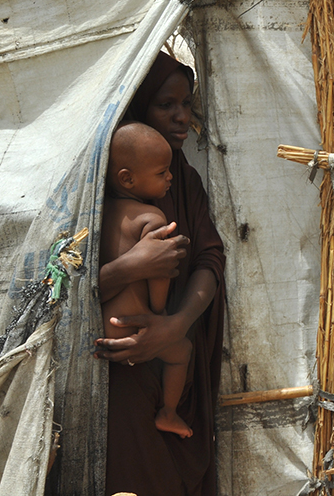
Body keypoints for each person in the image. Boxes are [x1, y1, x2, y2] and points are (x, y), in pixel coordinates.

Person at [95, 52, 227, 496]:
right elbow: (62, 284)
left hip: (175, 361)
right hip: (121, 372)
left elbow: (210, 259)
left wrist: (173, 323)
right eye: (165, 105)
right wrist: (131, 266)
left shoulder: (184, 181)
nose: (182, 117)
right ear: (138, 107)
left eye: (187, 104)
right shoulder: (95, 186)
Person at [100, 122, 193, 439]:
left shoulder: (97, 215)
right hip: (133, 329)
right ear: (127, 178)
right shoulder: (152, 219)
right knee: (182, 351)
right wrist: (160, 314)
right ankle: (168, 412)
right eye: (161, 172)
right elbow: (160, 273)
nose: (170, 177)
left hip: (103, 326)